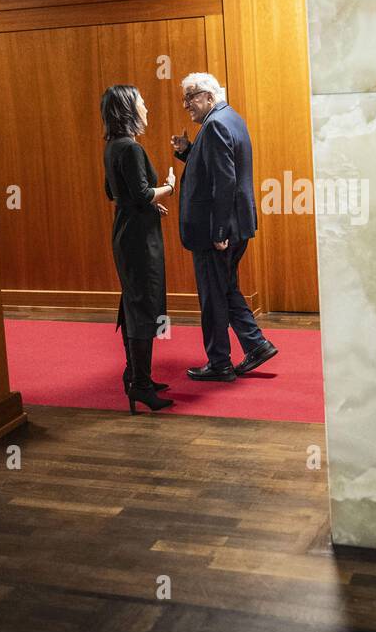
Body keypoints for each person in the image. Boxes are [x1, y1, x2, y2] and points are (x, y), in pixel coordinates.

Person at [171, 72, 278, 381]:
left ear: (209, 96)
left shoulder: (215, 124)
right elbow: (216, 169)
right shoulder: (229, 118)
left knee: (212, 296)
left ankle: (219, 363)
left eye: (190, 97)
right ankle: (256, 345)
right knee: (225, 288)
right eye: (185, 98)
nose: (186, 104)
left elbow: (225, 181)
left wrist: (218, 232)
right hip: (236, 225)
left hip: (218, 231)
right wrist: (187, 151)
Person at [101, 84, 175, 413]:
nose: (146, 107)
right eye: (142, 102)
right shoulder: (131, 148)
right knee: (144, 303)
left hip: (126, 233)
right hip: (140, 241)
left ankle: (135, 376)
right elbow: (143, 193)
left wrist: (147, 205)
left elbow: (114, 193)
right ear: (129, 109)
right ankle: (141, 385)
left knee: (134, 301)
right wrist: (170, 188)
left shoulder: (113, 146)